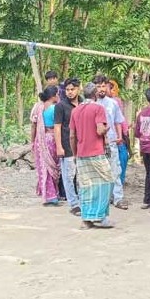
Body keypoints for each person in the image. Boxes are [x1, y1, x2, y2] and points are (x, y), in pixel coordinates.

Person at [69, 83, 115, 229]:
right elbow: (100, 130)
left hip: (81, 153)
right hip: (96, 152)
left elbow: (72, 135)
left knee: (86, 186)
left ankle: (86, 219)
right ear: (95, 94)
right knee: (107, 182)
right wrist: (107, 128)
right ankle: (100, 216)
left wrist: (75, 154)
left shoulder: (76, 111)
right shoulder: (98, 108)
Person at [92, 74, 128, 210]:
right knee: (98, 172)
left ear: (107, 86)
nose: (101, 89)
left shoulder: (113, 103)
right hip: (96, 143)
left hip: (112, 142)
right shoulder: (92, 104)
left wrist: (119, 136)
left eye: (103, 86)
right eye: (98, 86)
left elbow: (118, 121)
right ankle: (101, 199)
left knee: (115, 170)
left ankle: (117, 198)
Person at [55, 78, 82, 215]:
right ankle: (74, 204)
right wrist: (59, 146)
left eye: (72, 89)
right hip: (67, 146)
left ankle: (83, 200)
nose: (70, 92)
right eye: (68, 90)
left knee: (82, 175)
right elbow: (57, 127)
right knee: (68, 176)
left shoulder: (83, 103)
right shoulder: (61, 106)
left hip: (82, 146)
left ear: (78, 89)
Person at [31, 86, 61, 205]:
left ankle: (47, 193)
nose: (58, 96)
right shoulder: (55, 108)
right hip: (52, 138)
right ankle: (52, 195)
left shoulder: (38, 107)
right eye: (57, 94)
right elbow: (59, 125)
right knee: (51, 167)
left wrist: (32, 141)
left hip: (40, 139)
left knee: (44, 167)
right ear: (53, 96)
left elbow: (33, 125)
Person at [109, 79, 131, 187]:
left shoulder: (116, 101)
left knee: (121, 160)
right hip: (110, 136)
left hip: (119, 135)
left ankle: (118, 185)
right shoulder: (104, 102)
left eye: (113, 88)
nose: (111, 91)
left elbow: (120, 120)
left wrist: (123, 133)